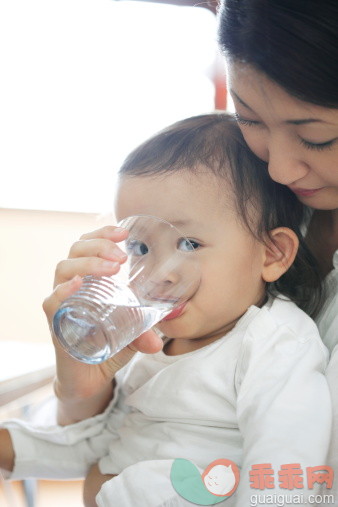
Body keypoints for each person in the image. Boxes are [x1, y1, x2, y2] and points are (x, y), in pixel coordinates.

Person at [0, 114, 331, 506]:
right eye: (140, 248)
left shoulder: (274, 342)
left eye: (189, 244)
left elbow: (283, 469)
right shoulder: (150, 341)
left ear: (272, 253)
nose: (159, 274)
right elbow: (105, 440)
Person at [217, 0, 338, 501]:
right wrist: (84, 394)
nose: (280, 170)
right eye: (249, 119)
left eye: (318, 139)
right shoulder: (239, 197)